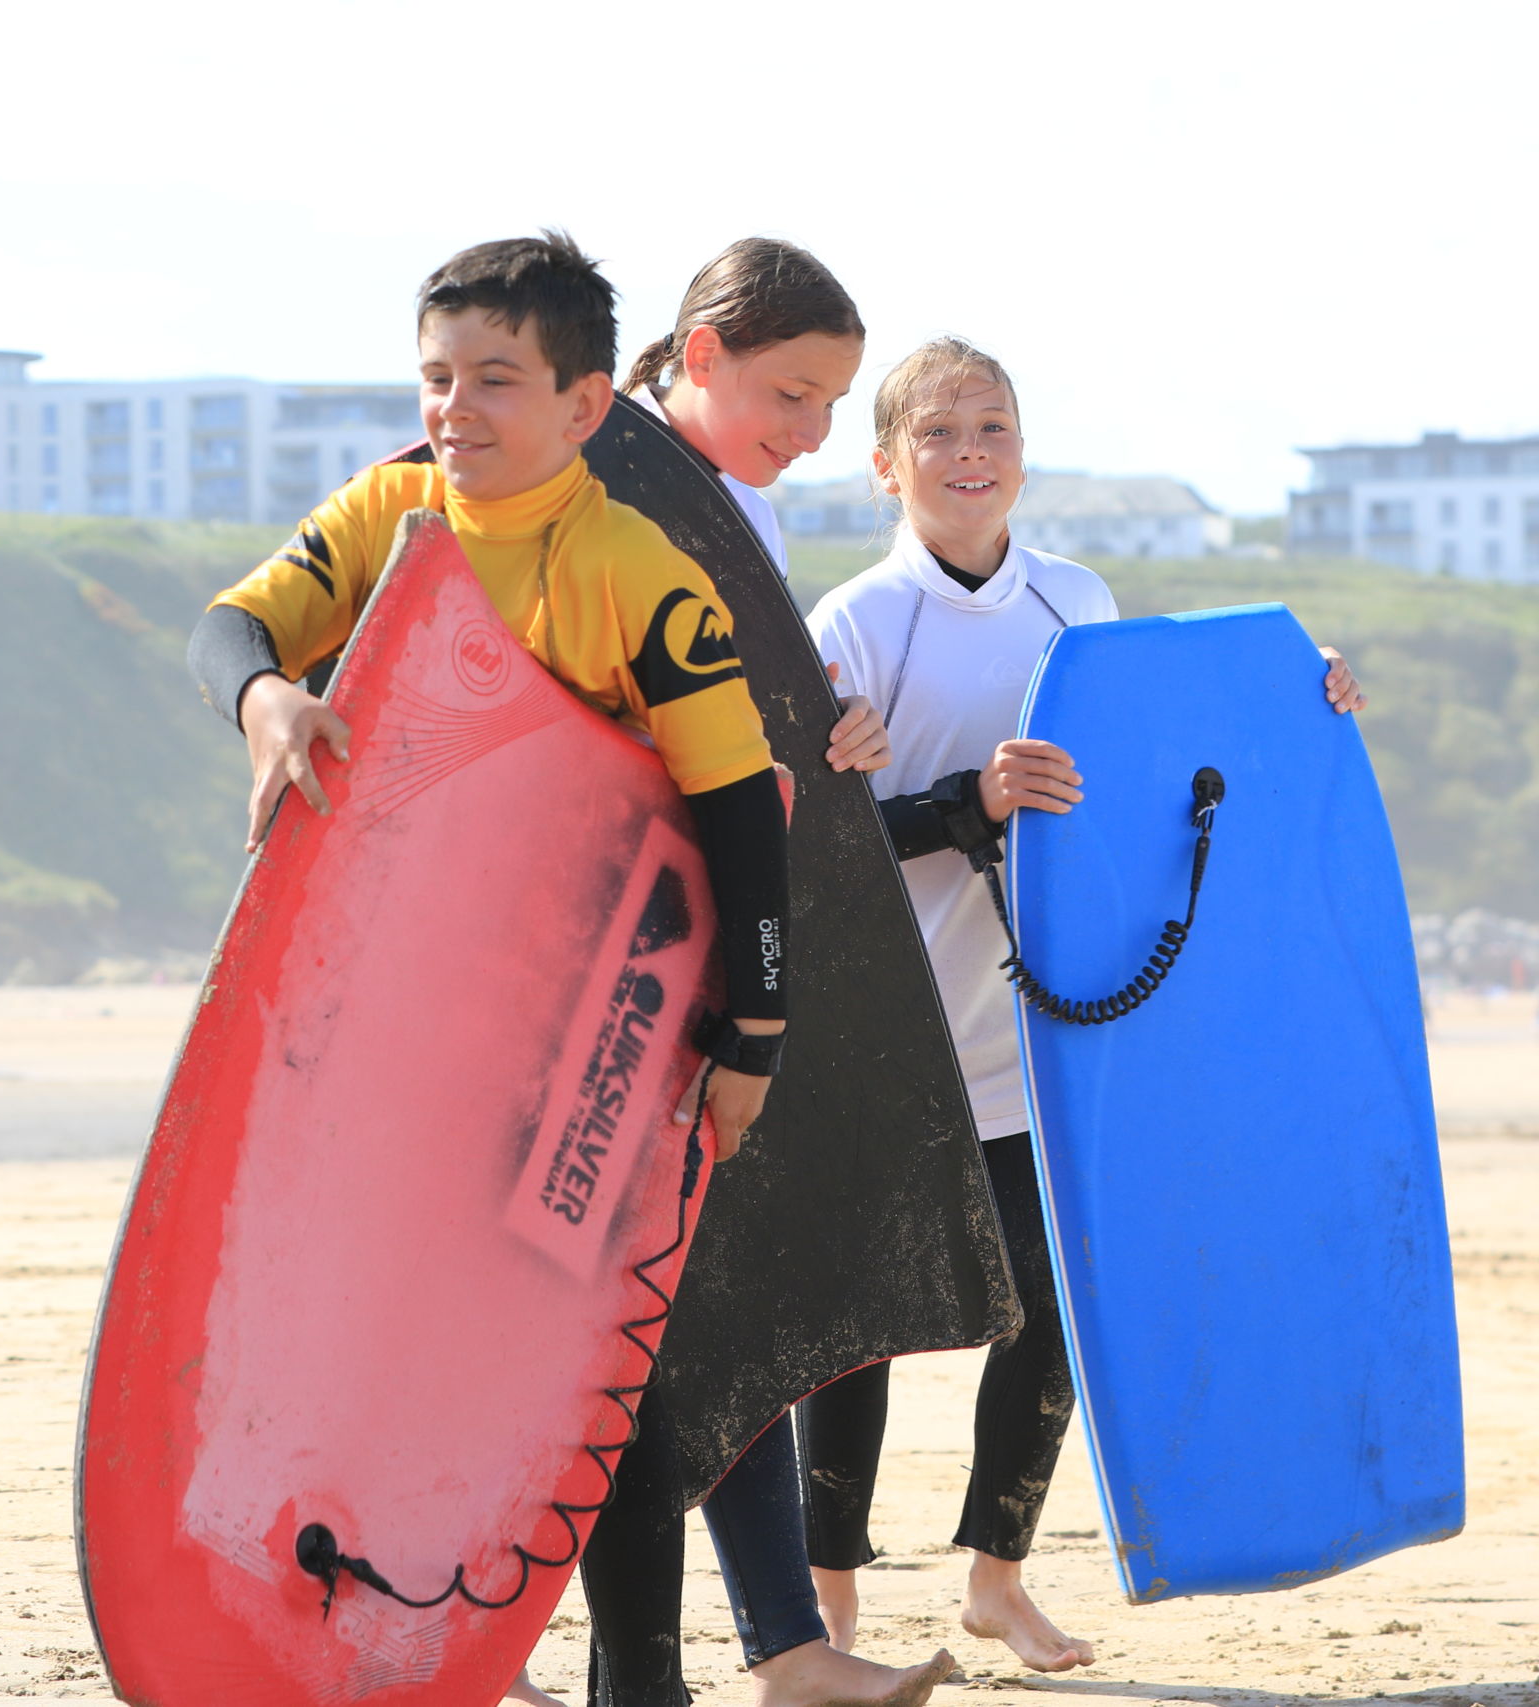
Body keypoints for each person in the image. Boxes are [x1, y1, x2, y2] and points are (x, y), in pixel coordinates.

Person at [180, 231, 834, 1707]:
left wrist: (757, 1031)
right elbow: (230, 624)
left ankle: (643, 1678)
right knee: (389, 1324)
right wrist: (268, 691)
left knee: (602, 1362)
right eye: (435, 378)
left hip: (585, 1036)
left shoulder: (634, 574)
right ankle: (393, 1631)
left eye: (494, 380)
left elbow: (743, 817)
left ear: (586, 403)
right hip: (399, 1035)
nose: (453, 409)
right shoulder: (392, 515)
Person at [800, 337, 1365, 1672]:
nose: (971, 452)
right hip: (888, 1036)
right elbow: (819, 843)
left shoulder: (1078, 598)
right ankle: (828, 1606)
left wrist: (1304, 690)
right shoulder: (854, 626)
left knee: (1055, 1308)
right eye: (938, 433)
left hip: (1041, 1033)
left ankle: (996, 1575)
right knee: (853, 1332)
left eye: (993, 424)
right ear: (886, 468)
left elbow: (1155, 751)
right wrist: (969, 801)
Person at [559, 239, 954, 1707]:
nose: (807, 431)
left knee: (713, 1306)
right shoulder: (622, 478)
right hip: (630, 961)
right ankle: (555, 1655)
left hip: (718, 939)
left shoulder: (731, 502)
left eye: (831, 403)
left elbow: (750, 718)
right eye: (791, 393)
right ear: (701, 352)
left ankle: (779, 1647)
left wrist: (829, 727)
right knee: (648, 1323)